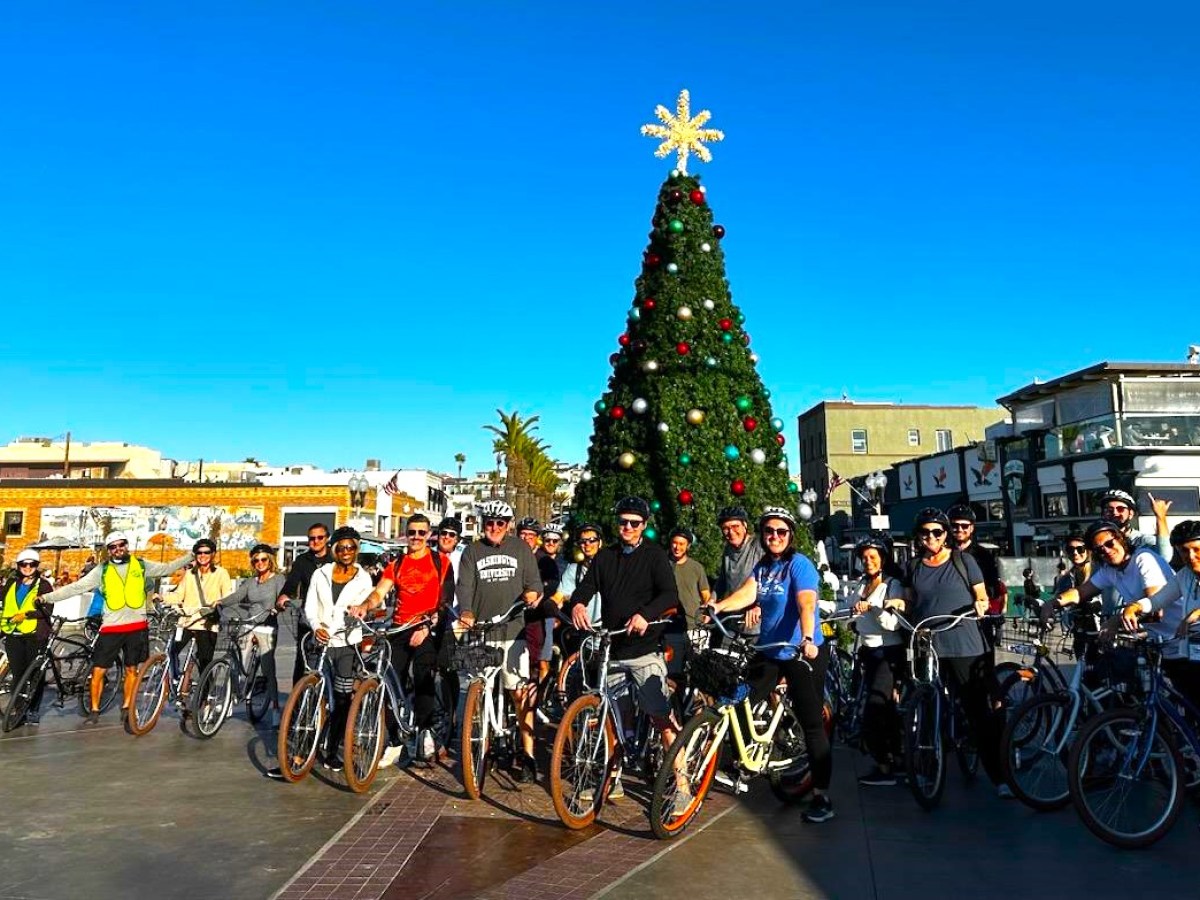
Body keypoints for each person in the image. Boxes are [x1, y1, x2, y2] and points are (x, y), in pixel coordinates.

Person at [707, 506, 834, 822]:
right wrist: (718, 606)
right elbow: (746, 594)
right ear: (762, 535)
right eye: (769, 531)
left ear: (790, 535)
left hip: (801, 653)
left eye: (781, 532)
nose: (774, 536)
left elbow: (806, 603)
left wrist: (807, 637)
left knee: (812, 724)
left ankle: (821, 796)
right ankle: (742, 760)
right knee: (737, 697)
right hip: (769, 650)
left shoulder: (799, 565)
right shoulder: (763, 567)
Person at [566, 497, 681, 803]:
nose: (627, 528)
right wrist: (578, 602)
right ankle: (610, 780)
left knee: (661, 717)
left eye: (634, 523)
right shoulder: (605, 557)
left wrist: (646, 615)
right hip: (613, 649)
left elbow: (670, 594)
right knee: (615, 721)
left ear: (644, 526)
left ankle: (682, 785)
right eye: (622, 522)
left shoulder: (655, 556)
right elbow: (587, 585)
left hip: (644, 649)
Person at [904, 508, 1008, 797]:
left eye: (937, 532)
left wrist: (981, 604)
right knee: (924, 702)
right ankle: (924, 765)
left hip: (964, 643)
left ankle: (1000, 777)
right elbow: (910, 601)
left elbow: (982, 596)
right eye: (925, 532)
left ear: (946, 534)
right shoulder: (914, 566)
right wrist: (897, 606)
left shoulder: (964, 561)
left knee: (977, 711)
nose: (931, 538)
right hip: (928, 643)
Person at [38, 531, 193, 725]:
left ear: (127, 545)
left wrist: (191, 555)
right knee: (98, 671)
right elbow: (76, 587)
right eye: (113, 547)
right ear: (108, 550)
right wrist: (46, 598)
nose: (118, 549)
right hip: (111, 628)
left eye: (121, 545)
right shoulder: (101, 570)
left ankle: (127, 707)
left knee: (131, 670)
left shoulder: (141, 565)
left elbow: (167, 568)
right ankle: (94, 711)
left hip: (137, 627)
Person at [355, 514, 455, 767]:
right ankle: (394, 739)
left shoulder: (440, 561)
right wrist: (364, 606)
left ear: (429, 534)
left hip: (426, 626)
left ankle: (425, 730)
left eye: (422, 533)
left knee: (423, 675)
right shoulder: (397, 563)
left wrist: (429, 624)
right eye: (412, 533)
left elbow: (446, 600)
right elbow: (380, 591)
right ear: (406, 534)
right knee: (390, 681)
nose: (417, 538)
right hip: (400, 627)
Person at [457, 500, 543, 782]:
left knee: (519, 693)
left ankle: (528, 754)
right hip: (479, 632)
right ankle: (479, 749)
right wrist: (466, 611)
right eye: (489, 523)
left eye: (500, 523)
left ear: (508, 526)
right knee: (474, 693)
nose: (494, 527)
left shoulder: (521, 549)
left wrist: (531, 596)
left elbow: (534, 585)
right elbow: (465, 586)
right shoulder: (471, 551)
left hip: (511, 631)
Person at [303, 526, 372, 772]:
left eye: (350, 547)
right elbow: (310, 605)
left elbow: (365, 607)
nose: (345, 552)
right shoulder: (320, 574)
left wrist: (360, 611)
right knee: (310, 694)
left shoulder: (364, 579)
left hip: (347, 642)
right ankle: (303, 749)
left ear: (356, 549)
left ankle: (332, 750)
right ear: (334, 550)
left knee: (342, 699)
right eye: (341, 548)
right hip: (321, 641)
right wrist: (315, 625)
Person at [1047, 520, 1178, 645]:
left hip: (1181, 636)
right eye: (1099, 550)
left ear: (1121, 540)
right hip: (1156, 639)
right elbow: (1080, 592)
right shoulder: (1110, 570)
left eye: (1110, 544)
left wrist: (1115, 620)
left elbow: (1155, 608)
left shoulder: (1143, 558)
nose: (1107, 551)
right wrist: (1052, 604)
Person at [850, 533, 907, 787]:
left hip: (888, 653)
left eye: (872, 557)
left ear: (883, 559)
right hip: (869, 653)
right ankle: (896, 757)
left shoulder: (891, 584)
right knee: (884, 708)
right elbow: (853, 617)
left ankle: (885, 766)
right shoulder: (861, 584)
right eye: (864, 558)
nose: (868, 561)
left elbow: (892, 624)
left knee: (877, 706)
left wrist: (874, 607)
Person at [214, 543, 283, 723]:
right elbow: (237, 596)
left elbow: (283, 598)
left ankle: (275, 706)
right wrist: (221, 602)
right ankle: (230, 698)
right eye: (256, 560)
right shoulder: (251, 582)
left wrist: (278, 607)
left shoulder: (278, 579)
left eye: (263, 559)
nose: (260, 563)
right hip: (248, 624)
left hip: (267, 626)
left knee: (268, 668)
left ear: (270, 560)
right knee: (239, 665)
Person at [162, 539, 231, 680]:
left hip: (207, 623)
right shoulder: (190, 574)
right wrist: (162, 598)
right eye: (199, 552)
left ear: (213, 554)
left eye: (206, 552)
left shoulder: (221, 573)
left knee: (204, 663)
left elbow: (228, 596)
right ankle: (176, 681)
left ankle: (204, 698)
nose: (202, 555)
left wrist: (219, 603)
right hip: (187, 621)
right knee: (172, 651)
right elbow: (179, 595)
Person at [1, 549, 54, 726]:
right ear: (19, 566)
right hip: (13, 634)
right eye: (24, 564)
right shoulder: (11, 583)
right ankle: (18, 707)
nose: (28, 567)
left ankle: (33, 710)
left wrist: (27, 615)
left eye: (32, 564)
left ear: (36, 566)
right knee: (17, 674)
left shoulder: (44, 585)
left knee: (35, 674)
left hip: (35, 636)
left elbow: (47, 609)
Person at [278, 523, 335, 685]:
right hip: (308, 616)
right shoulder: (302, 560)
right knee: (302, 659)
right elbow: (292, 581)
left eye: (320, 537)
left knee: (333, 656)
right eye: (311, 538)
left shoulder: (335, 559)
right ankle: (297, 704)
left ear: (327, 539)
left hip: (331, 616)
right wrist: (284, 595)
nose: (315, 541)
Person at [947, 504, 1004, 647]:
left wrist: (979, 597)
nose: (960, 529)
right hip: (949, 616)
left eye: (964, 526)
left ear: (972, 528)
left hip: (977, 617)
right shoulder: (943, 554)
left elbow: (994, 587)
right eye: (955, 525)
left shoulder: (983, 555)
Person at [664, 527, 710, 683]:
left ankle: (697, 705)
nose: (677, 547)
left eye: (682, 544)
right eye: (675, 543)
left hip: (695, 627)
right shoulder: (663, 565)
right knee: (673, 672)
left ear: (688, 546)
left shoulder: (696, 567)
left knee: (698, 672)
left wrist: (707, 614)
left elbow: (706, 595)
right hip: (671, 628)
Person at [435, 517, 464, 584]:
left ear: (456, 540)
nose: (447, 537)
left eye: (452, 534)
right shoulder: (428, 554)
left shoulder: (464, 557)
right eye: (444, 533)